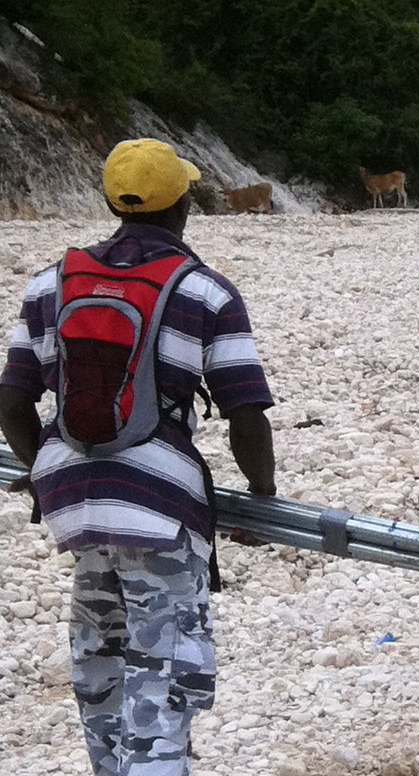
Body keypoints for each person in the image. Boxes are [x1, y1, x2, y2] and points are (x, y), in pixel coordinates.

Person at [0, 138, 277, 775]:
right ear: (182, 205)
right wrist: (262, 495)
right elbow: (245, 413)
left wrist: (42, 476)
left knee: (101, 668)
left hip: (74, 504)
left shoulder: (50, 284)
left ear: (111, 204)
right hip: (158, 507)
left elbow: (12, 401)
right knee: (163, 678)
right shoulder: (205, 292)